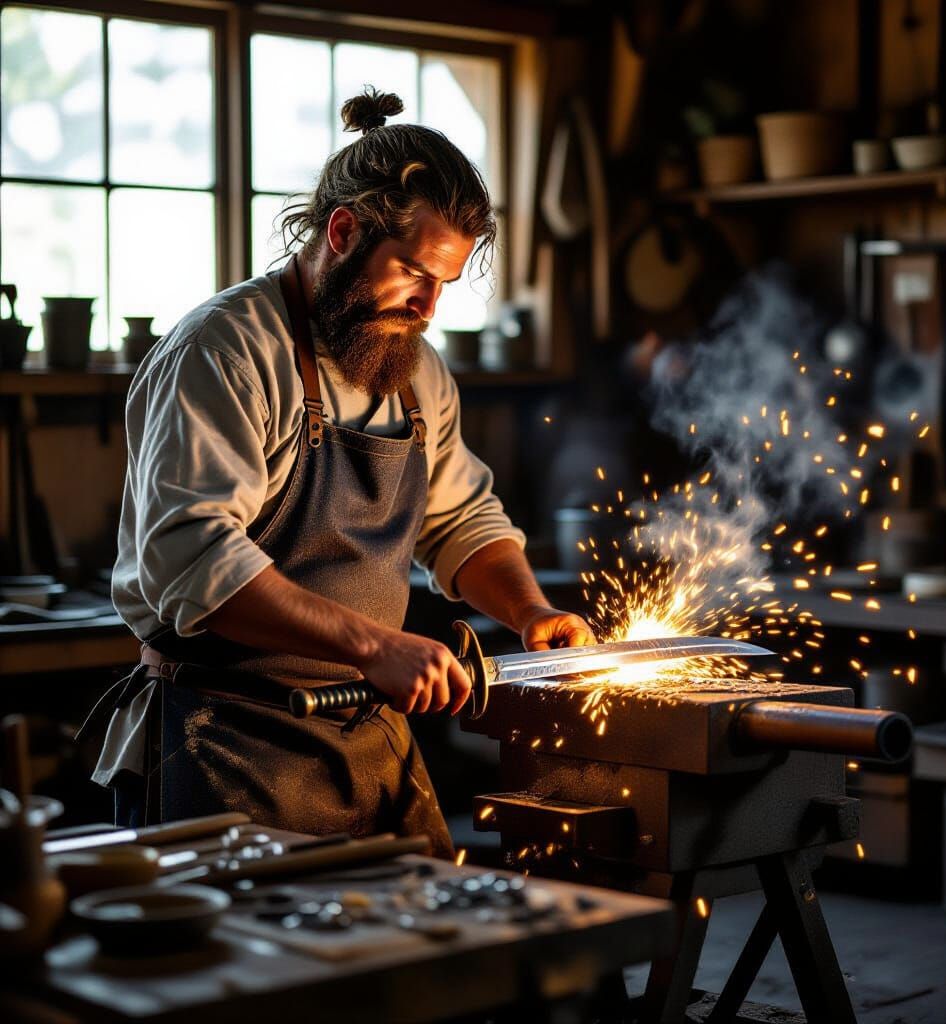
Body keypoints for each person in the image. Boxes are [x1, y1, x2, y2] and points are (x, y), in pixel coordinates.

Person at [84, 88, 594, 857]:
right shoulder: (225, 351)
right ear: (345, 231)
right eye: (414, 275)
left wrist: (529, 612)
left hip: (368, 739)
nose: (427, 308)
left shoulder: (415, 371)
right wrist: (374, 647)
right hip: (224, 739)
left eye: (444, 287)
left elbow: (461, 522)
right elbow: (195, 560)